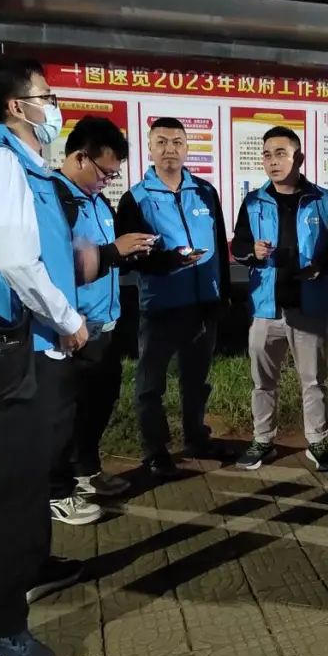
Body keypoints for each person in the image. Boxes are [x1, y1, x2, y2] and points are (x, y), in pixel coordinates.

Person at [0, 54, 87, 656]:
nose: (53, 105)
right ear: (17, 106)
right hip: (14, 354)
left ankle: (32, 568)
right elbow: (14, 260)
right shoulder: (3, 163)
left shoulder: (28, 163)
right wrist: (68, 317)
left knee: (32, 475)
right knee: (10, 489)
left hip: (37, 350)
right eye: (46, 96)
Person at [48, 116, 155, 515]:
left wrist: (129, 253)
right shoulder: (53, 199)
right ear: (79, 157)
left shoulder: (96, 200)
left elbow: (100, 259)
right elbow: (53, 264)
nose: (108, 180)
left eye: (113, 174)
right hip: (68, 329)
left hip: (103, 324)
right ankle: (56, 492)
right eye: (105, 172)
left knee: (97, 405)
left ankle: (86, 472)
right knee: (63, 415)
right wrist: (113, 251)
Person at [116, 117, 232, 478]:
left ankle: (197, 437)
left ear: (187, 148)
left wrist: (223, 295)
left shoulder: (205, 191)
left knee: (197, 380)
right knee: (150, 385)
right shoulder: (135, 198)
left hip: (203, 304)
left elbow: (219, 246)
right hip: (161, 307)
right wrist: (169, 261)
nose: (170, 149)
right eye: (162, 142)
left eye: (178, 142)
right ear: (150, 149)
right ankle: (155, 450)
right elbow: (129, 256)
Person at [230, 126, 328, 471]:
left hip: (309, 305)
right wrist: (252, 251)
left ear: (300, 158)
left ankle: (317, 441)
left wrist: (320, 267)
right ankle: (263, 440)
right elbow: (238, 245)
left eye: (281, 153)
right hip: (265, 307)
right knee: (262, 382)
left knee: (314, 381)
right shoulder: (254, 201)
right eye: (267, 155)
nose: (273, 161)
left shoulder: (321, 199)